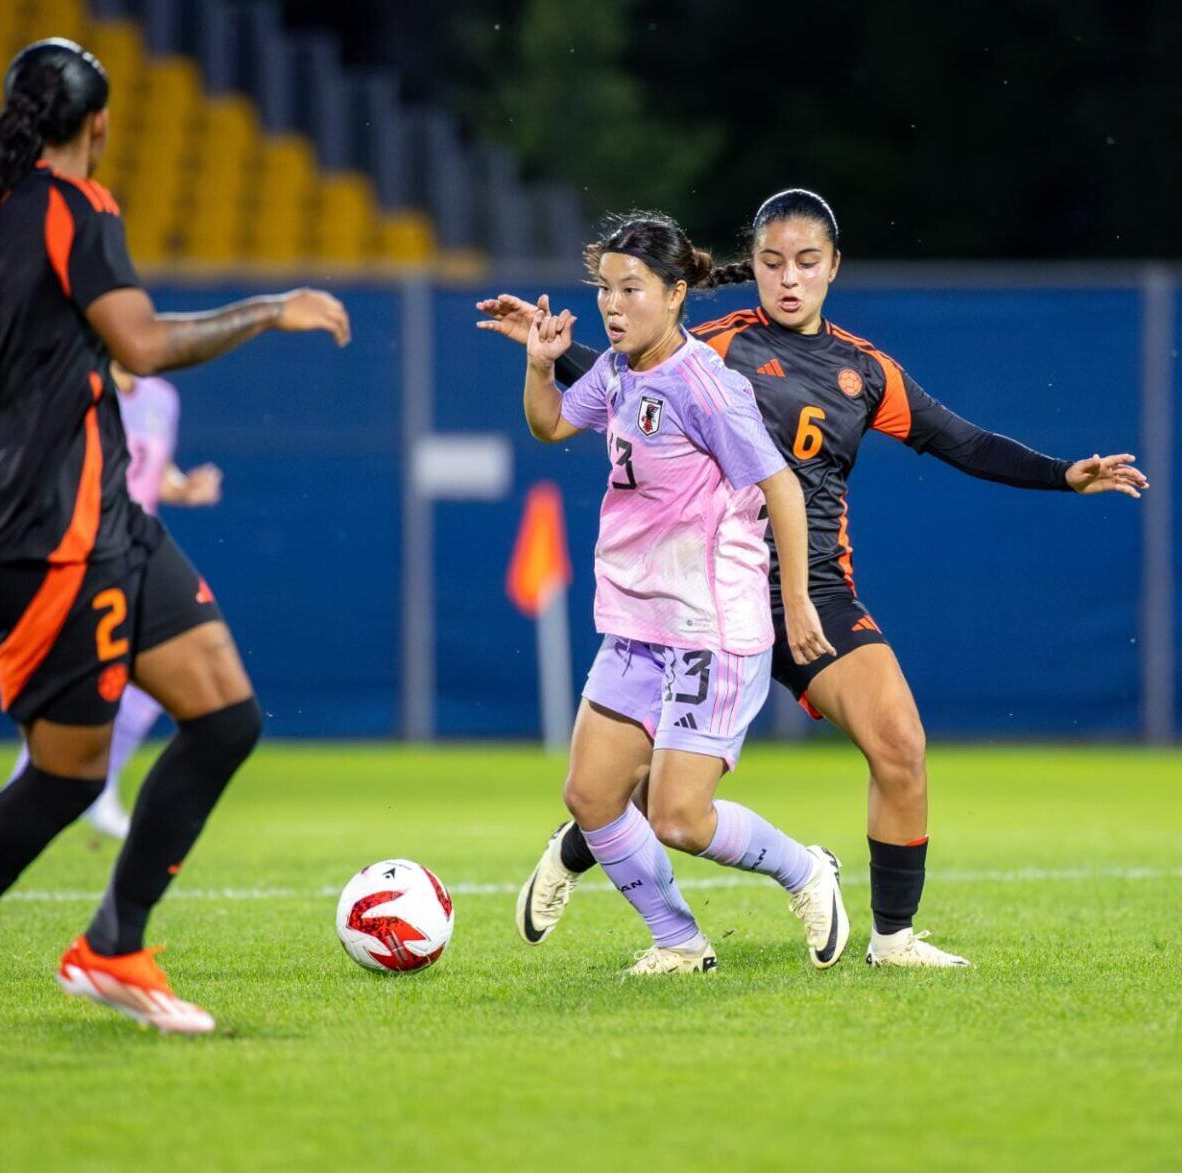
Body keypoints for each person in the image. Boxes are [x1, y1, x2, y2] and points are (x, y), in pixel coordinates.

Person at [484, 188, 1146, 969]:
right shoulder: (719, 346)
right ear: (752, 268)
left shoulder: (863, 371)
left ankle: (892, 938)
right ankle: (584, 847)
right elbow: (635, 389)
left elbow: (958, 440)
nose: (787, 280)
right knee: (636, 792)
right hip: (702, 588)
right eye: (770, 263)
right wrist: (553, 351)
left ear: (834, 266)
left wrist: (1061, 474)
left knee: (899, 743)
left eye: (805, 263)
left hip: (808, 592)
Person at [0, 37, 350, 1049]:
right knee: (69, 775)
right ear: (100, 123)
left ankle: (112, 947)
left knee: (224, 712)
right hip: (50, 527)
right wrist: (270, 309)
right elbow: (143, 344)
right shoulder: (80, 209)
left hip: (102, 513)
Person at [519, 210, 848, 976]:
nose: (613, 305)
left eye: (631, 288)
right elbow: (550, 427)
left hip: (712, 628)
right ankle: (679, 941)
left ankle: (807, 871)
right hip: (638, 625)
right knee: (592, 795)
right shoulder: (618, 370)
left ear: (674, 294)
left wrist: (795, 599)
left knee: (678, 817)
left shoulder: (708, 386)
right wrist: (540, 363)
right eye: (606, 288)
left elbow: (783, 490)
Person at [6, 364, 224, 841]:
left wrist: (184, 488)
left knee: (158, 677)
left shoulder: (161, 397)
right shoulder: (77, 390)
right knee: (78, 678)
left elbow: (151, 470)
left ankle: (96, 787)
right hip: (82, 552)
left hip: (140, 552)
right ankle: (23, 789)